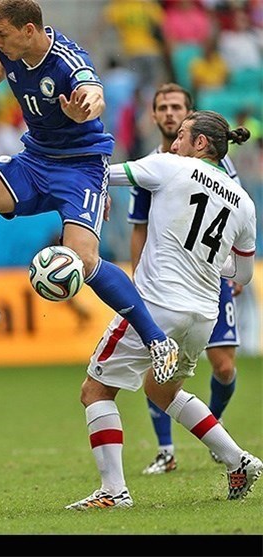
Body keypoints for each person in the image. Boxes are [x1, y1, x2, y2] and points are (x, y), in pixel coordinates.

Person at [0, 0, 180, 384]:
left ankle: (157, 340)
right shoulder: (8, 47)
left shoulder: (67, 61)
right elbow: (2, 57)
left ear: (29, 30)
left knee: (84, 260)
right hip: (35, 161)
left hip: (80, 168)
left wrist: (87, 108)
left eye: (3, 35)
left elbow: (91, 88)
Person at [66, 111, 260, 510]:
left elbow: (106, 172)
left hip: (156, 306)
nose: (173, 143)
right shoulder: (243, 202)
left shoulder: (170, 166)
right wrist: (207, 261)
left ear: (201, 143)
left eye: (182, 136)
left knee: (95, 391)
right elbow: (241, 272)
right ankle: (237, 459)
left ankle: (113, 492)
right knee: (162, 389)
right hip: (202, 315)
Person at [127, 83, 246, 475]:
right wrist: (136, 277)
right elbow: (139, 227)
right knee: (160, 376)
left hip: (207, 282)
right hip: (171, 285)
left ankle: (213, 427)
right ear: (155, 115)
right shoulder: (155, 164)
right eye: (162, 107)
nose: (168, 113)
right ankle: (170, 450)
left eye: (176, 106)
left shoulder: (213, 171)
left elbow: (232, 227)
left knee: (222, 366)